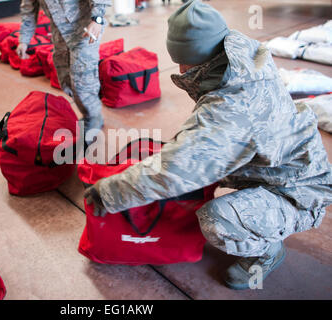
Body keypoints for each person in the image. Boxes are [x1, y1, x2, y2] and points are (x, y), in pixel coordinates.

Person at [84, 0, 332, 290]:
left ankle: (267, 251)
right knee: (188, 153)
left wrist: (108, 193)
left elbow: (173, 171)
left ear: (187, 59)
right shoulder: (238, 52)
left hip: (298, 193)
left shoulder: (232, 108)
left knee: (217, 219)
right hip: (277, 162)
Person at [18, 0, 111, 142]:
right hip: (61, 35)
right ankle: (89, 113)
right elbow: (29, 10)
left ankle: (94, 118)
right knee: (66, 81)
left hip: (86, 31)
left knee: (82, 82)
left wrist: (97, 19)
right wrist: (24, 40)